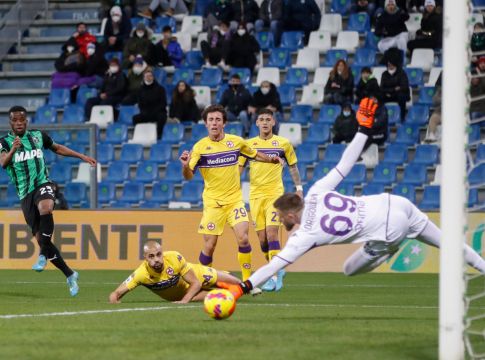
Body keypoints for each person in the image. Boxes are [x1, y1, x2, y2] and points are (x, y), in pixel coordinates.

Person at [218, 98, 485, 299]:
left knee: (349, 269)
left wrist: (242, 288)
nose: (279, 219)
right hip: (394, 203)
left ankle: (387, 249)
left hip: (389, 230)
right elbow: (345, 164)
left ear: (290, 215)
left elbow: (275, 264)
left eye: (279, 216)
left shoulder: (305, 235)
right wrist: (363, 129)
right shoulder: (317, 191)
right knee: (449, 244)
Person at [179, 104, 283, 282]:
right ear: (205, 124)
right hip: (213, 204)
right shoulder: (200, 148)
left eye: (218, 119)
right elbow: (189, 176)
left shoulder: (235, 142)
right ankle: (202, 280)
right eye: (210, 120)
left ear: (224, 123)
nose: (214, 123)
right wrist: (185, 165)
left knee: (243, 238)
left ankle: (248, 282)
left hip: (235, 201)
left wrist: (271, 159)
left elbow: (254, 153)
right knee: (209, 246)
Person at [0, 106, 97, 296]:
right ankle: (69, 274)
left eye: (22, 119)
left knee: (46, 206)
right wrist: (13, 149)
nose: (19, 123)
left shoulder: (38, 136)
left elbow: (58, 148)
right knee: (41, 239)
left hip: (42, 183)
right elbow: (3, 163)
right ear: (10, 122)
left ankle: (43, 255)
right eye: (15, 120)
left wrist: (81, 156)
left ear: (26, 121)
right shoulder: (4, 142)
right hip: (24, 193)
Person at [238, 108, 302, 291]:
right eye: (261, 119)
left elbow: (293, 167)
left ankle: (273, 276)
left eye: (268, 119)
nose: (265, 122)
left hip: (275, 195)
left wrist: (299, 189)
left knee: (272, 234)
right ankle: (277, 270)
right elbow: (239, 169)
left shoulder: (283, 144)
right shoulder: (248, 145)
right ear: (256, 123)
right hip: (255, 196)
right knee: (263, 241)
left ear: (273, 122)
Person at [109, 241, 242, 304]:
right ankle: (225, 289)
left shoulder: (174, 257)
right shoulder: (141, 274)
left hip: (196, 274)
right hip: (186, 293)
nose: (156, 259)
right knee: (225, 295)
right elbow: (116, 294)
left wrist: (184, 302)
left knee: (236, 283)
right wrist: (114, 301)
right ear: (145, 258)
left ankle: (246, 284)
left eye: (158, 254)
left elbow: (195, 282)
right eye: (151, 256)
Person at [133, 68, 167, 139]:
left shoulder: (160, 89)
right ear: (144, 77)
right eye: (147, 76)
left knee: (162, 117)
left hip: (157, 112)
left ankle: (158, 135)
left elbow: (163, 103)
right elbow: (140, 104)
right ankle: (140, 135)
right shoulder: (140, 90)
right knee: (135, 118)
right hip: (146, 113)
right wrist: (145, 112)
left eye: (150, 76)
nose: (148, 77)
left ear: (153, 77)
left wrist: (154, 111)